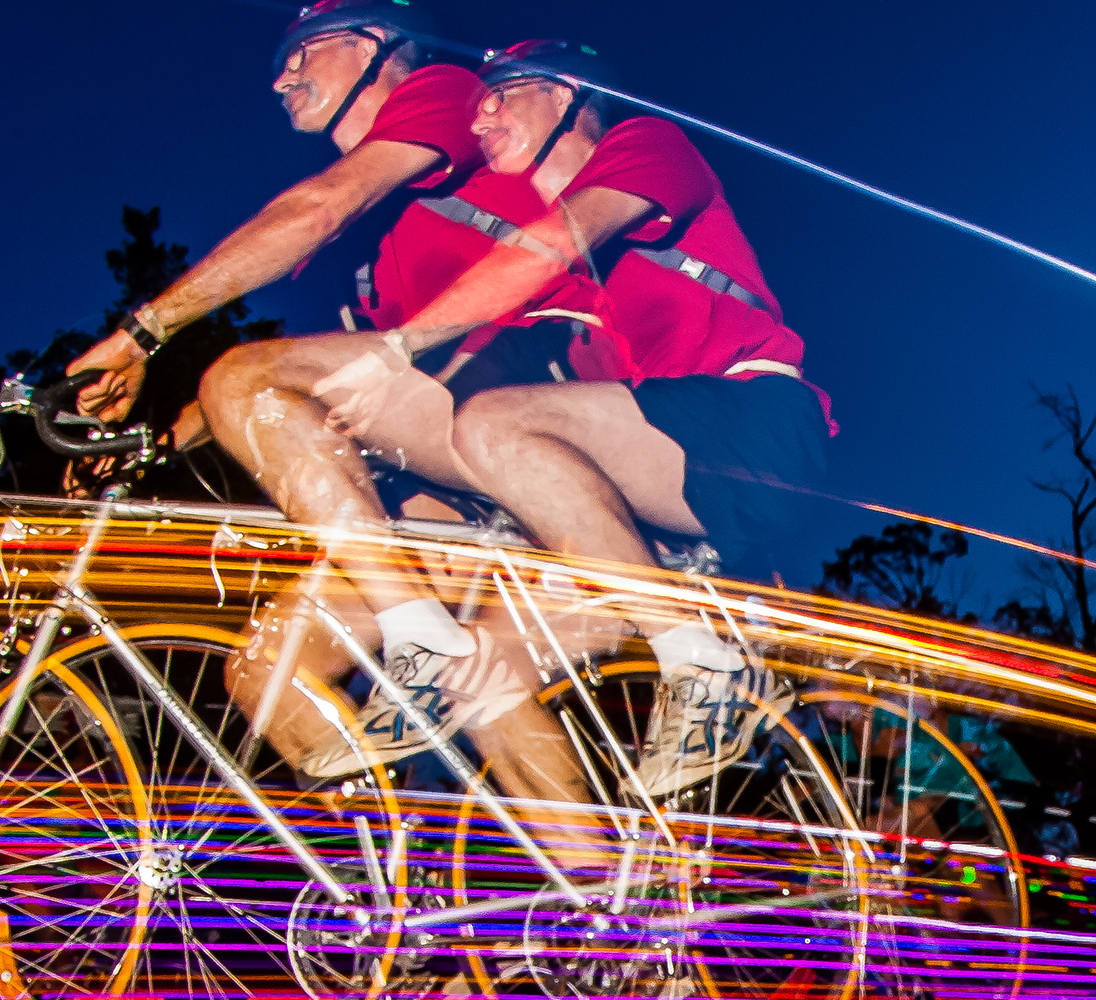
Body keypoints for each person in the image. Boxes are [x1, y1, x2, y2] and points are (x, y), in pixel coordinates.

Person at [59, 1, 590, 798]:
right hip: (438, 465)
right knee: (271, 669)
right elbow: (294, 376)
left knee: (241, 374)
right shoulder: (377, 245)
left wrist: (142, 333)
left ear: (376, 47)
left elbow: (315, 208)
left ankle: (420, 642)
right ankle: (423, 886)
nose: (281, 76)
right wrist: (157, 446)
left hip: (526, 414)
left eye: (304, 49)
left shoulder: (445, 96)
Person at [319, 40, 832, 796]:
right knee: (472, 671)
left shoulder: (645, 149)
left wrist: (392, 350)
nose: (480, 113)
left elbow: (551, 245)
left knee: (496, 425)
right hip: (664, 476)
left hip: (756, 423)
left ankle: (703, 665)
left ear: (564, 95)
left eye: (502, 94)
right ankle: (616, 879)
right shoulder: (564, 289)